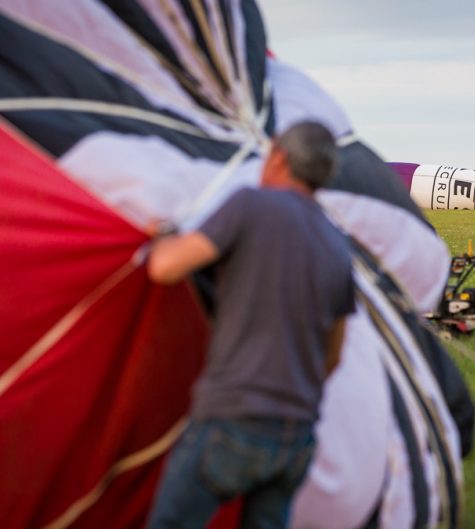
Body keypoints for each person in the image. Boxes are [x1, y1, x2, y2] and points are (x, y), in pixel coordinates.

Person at [145, 121, 356, 529]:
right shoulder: (337, 244)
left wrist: (163, 235)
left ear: (279, 157)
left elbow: (165, 267)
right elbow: (333, 355)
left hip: (234, 416)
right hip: (298, 434)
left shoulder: (251, 205)